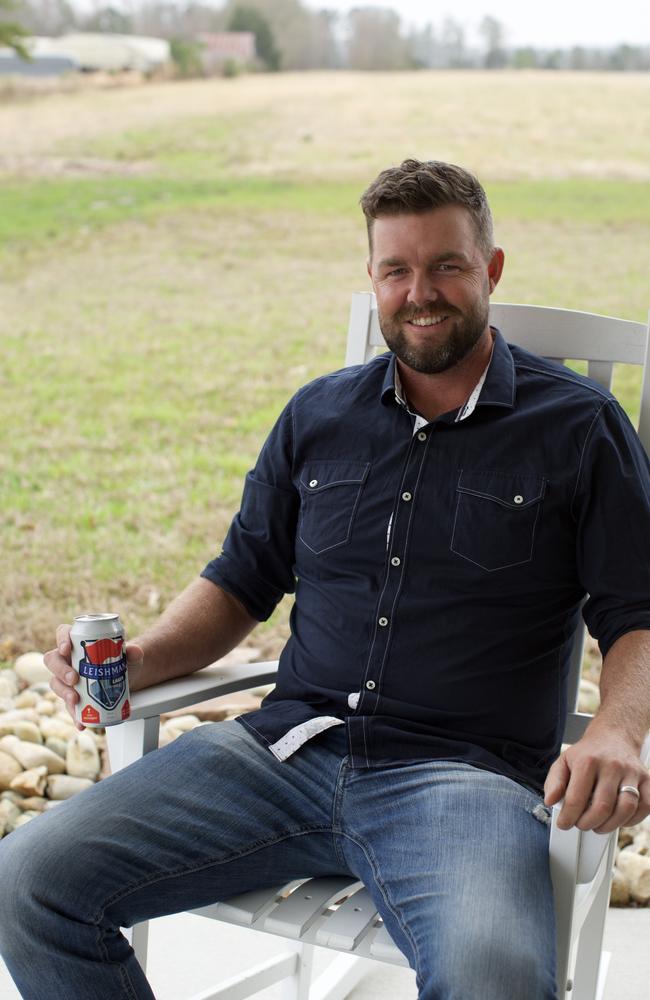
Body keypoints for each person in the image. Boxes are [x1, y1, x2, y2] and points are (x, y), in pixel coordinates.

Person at [1, 159, 649, 1000]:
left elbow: (636, 611)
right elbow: (242, 580)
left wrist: (620, 731)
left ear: (490, 268)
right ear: (372, 280)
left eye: (447, 265)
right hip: (282, 754)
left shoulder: (579, 426)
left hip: (460, 785)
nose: (422, 292)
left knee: (496, 980)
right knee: (26, 884)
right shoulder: (319, 414)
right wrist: (139, 660)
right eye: (396, 269)